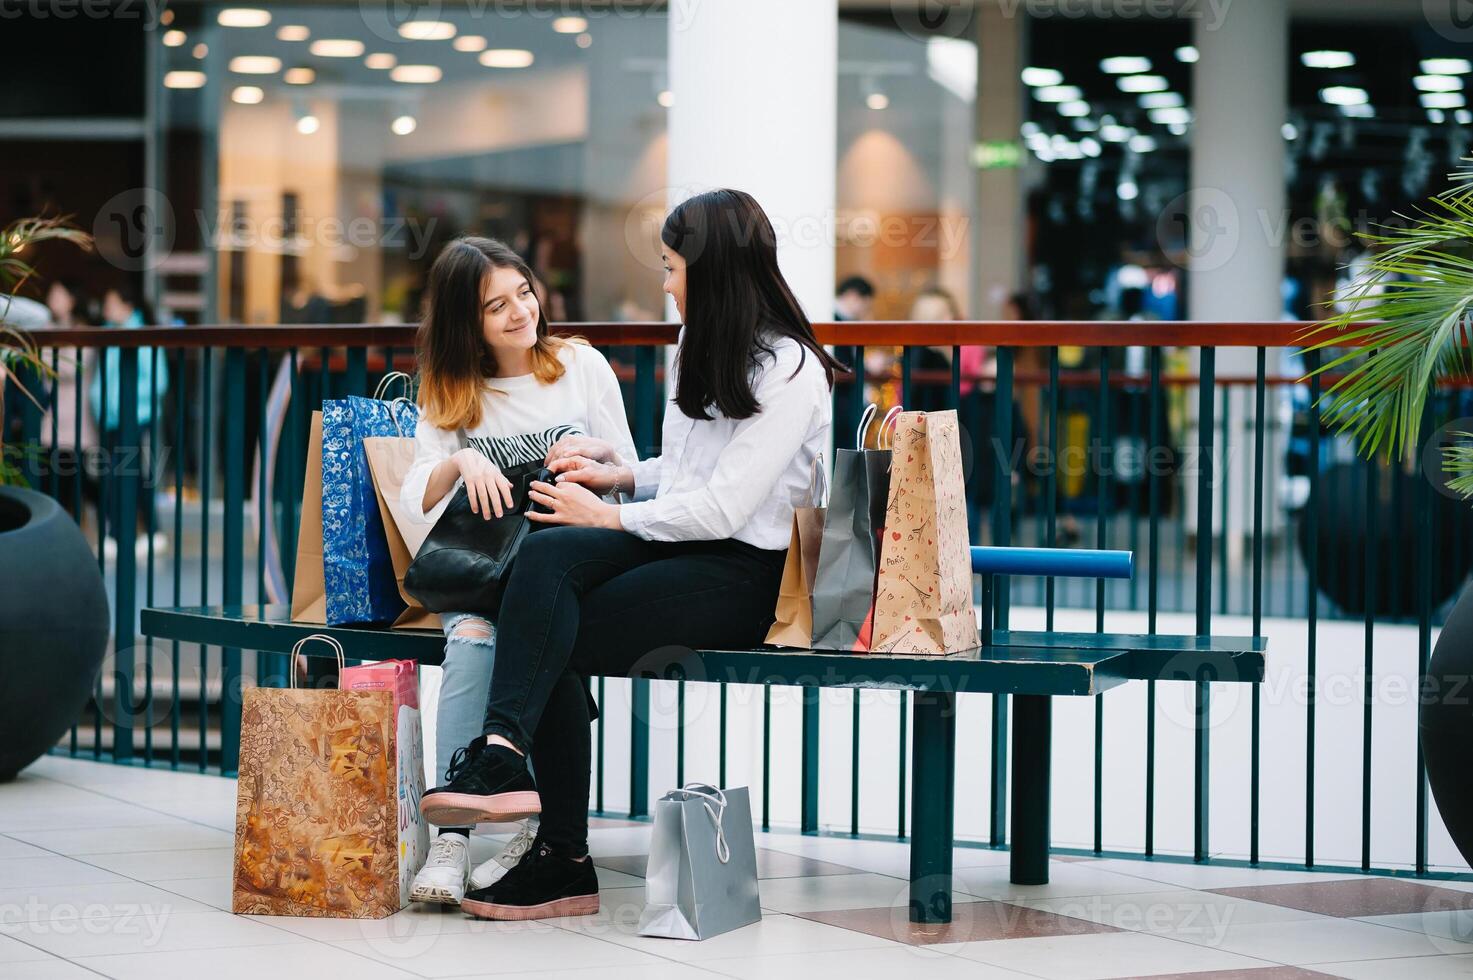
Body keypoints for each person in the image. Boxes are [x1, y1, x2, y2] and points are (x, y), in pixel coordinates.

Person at [420, 188, 842, 920]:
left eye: (673, 267)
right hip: (679, 544)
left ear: (712, 272)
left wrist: (607, 518)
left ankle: (560, 854)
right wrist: (616, 471)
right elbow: (684, 472)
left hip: (745, 574)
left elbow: (723, 506)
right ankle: (504, 755)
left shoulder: (791, 371)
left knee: (554, 617)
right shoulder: (701, 343)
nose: (666, 282)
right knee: (545, 563)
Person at [398, 237, 638, 905]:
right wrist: (459, 463)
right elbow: (412, 491)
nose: (518, 313)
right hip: (482, 571)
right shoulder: (452, 389)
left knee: (529, 632)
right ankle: (452, 837)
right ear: (464, 322)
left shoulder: (580, 366)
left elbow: (631, 476)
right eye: (494, 306)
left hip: (568, 562)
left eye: (523, 294)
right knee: (474, 636)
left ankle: (524, 821)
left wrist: (593, 460)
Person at [88, 284, 169, 560]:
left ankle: (132, 533)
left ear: (127, 306)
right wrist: (101, 404)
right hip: (113, 418)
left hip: (135, 417)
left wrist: (123, 402)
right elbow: (103, 379)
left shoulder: (141, 335)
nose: (106, 308)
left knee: (124, 473)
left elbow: (158, 380)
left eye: (111, 302)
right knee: (126, 473)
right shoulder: (111, 334)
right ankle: (139, 533)